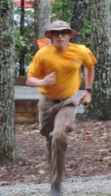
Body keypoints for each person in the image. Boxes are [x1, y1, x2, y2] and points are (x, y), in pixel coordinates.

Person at [26, 20, 97, 196]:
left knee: (59, 135)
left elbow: (90, 65)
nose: (59, 36)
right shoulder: (43, 54)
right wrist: (42, 82)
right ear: (50, 36)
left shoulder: (80, 51)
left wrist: (88, 91)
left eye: (63, 33)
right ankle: (54, 179)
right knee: (49, 138)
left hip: (68, 101)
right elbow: (29, 79)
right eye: (55, 33)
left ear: (69, 35)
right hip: (47, 102)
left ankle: (56, 185)